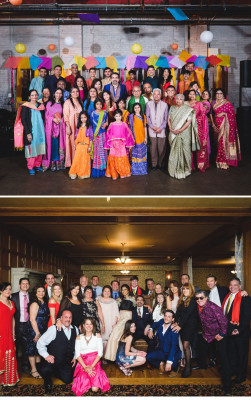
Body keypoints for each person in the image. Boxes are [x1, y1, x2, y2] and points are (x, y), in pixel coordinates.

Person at [195, 290, 231, 395]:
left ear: (206, 298)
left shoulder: (213, 307)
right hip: (208, 334)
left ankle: (227, 386)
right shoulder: (200, 308)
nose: (199, 300)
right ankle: (203, 366)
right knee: (200, 347)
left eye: (201, 298)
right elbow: (205, 323)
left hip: (219, 335)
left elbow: (224, 321)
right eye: (197, 298)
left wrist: (222, 334)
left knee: (224, 359)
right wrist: (206, 335)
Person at [37, 310, 78, 394]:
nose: (68, 319)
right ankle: (47, 381)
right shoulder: (53, 329)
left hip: (66, 362)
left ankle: (56, 372)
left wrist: (75, 357)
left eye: (70, 317)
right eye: (66, 317)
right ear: (61, 318)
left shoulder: (75, 329)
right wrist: (46, 356)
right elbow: (40, 343)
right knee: (45, 370)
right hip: (53, 361)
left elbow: (78, 346)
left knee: (67, 380)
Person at [222, 277, 251, 385]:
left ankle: (242, 376)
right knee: (232, 353)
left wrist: (239, 329)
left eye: (235, 285)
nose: (232, 287)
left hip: (240, 332)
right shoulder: (227, 296)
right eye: (230, 285)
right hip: (229, 331)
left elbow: (247, 317)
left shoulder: (246, 298)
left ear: (239, 286)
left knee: (241, 354)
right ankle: (233, 371)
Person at [72, 318, 110, 395]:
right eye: (87, 324)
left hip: (94, 362)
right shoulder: (79, 337)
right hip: (83, 364)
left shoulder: (97, 336)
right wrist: (85, 367)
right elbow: (78, 354)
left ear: (93, 326)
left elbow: (100, 353)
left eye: (91, 324)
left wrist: (91, 367)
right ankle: (86, 380)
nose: (89, 326)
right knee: (84, 390)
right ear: (83, 325)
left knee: (94, 389)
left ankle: (98, 375)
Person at [168, 94, 200, 179]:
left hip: (184, 133)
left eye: (180, 99)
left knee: (185, 151)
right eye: (177, 99)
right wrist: (170, 128)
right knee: (174, 151)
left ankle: (185, 171)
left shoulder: (187, 109)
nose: (178, 100)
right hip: (173, 132)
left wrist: (180, 130)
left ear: (183, 100)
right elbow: (169, 119)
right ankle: (174, 171)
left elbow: (188, 121)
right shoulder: (172, 108)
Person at [171, 283, 198, 378]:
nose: (185, 290)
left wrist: (179, 325)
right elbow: (178, 312)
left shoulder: (193, 300)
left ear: (191, 290)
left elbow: (187, 314)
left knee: (186, 345)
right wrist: (174, 321)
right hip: (183, 325)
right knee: (184, 344)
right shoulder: (182, 299)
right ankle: (186, 364)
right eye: (184, 289)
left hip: (190, 326)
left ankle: (188, 367)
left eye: (187, 289)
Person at [104, 284, 136, 361]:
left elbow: (138, 305)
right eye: (122, 290)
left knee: (120, 335)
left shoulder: (132, 298)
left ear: (128, 290)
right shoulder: (119, 299)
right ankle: (111, 356)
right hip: (120, 317)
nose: (124, 291)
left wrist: (147, 306)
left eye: (125, 289)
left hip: (128, 317)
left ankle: (120, 356)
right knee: (114, 334)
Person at [212, 88, 241, 169]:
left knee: (223, 142)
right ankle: (219, 161)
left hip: (226, 126)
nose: (218, 95)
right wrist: (213, 125)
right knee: (218, 143)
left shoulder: (227, 103)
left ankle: (224, 161)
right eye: (217, 93)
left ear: (223, 95)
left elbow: (232, 114)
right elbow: (211, 114)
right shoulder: (213, 103)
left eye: (220, 93)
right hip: (217, 125)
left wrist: (224, 113)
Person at [19, 89, 46, 175]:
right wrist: (28, 133)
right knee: (32, 148)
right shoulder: (26, 106)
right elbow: (23, 120)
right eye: (32, 95)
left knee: (39, 147)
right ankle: (30, 166)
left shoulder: (40, 106)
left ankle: (37, 165)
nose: (34, 97)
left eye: (36, 95)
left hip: (40, 131)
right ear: (29, 97)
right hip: (31, 131)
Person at [147, 310, 181, 374]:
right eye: (165, 316)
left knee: (173, 366)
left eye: (169, 317)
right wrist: (151, 329)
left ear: (172, 319)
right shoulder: (161, 322)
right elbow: (155, 324)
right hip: (161, 351)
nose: (166, 318)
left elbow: (173, 346)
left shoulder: (174, 329)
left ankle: (168, 364)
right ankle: (161, 364)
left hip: (171, 353)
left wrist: (169, 362)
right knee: (148, 357)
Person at [26, 284, 49, 379]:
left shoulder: (44, 301)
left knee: (39, 349)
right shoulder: (35, 303)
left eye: (43, 291)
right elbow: (32, 319)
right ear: (35, 293)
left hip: (43, 329)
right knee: (32, 350)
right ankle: (33, 370)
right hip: (34, 329)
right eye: (39, 291)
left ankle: (38, 368)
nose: (41, 293)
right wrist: (37, 333)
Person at [104, 109, 134, 180]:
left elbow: (128, 134)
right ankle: (114, 173)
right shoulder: (111, 124)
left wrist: (129, 143)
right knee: (113, 157)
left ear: (121, 116)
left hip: (121, 144)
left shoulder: (124, 124)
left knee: (122, 157)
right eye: (116, 116)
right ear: (114, 116)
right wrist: (109, 144)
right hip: (113, 144)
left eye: (119, 116)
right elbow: (108, 134)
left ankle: (123, 172)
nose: (118, 117)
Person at [0, 282, 19, 387]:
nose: (8, 291)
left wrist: (13, 333)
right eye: (5, 289)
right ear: (1, 291)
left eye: (9, 289)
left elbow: (12, 319)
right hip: (0, 333)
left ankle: (8, 380)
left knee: (10, 354)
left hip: (9, 333)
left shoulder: (12, 303)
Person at [42, 88, 66, 172]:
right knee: (51, 145)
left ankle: (58, 161)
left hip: (59, 127)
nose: (58, 95)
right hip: (51, 128)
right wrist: (52, 119)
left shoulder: (63, 104)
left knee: (57, 144)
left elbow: (64, 116)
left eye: (60, 93)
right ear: (54, 94)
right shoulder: (49, 103)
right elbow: (46, 116)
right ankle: (52, 162)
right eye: (57, 93)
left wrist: (60, 120)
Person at [186, 89, 209, 173]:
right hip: (187, 128)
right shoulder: (185, 103)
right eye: (190, 94)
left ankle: (200, 165)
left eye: (193, 94)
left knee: (199, 146)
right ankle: (190, 166)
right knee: (188, 146)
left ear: (196, 95)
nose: (192, 96)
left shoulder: (199, 104)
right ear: (188, 95)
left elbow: (203, 116)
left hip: (198, 128)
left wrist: (194, 119)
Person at [146, 88, 168, 171]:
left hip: (161, 130)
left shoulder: (165, 105)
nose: (156, 96)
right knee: (153, 148)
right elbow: (147, 117)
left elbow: (166, 119)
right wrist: (152, 126)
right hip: (152, 129)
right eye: (154, 94)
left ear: (160, 95)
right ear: (152, 95)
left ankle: (161, 164)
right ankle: (154, 165)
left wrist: (161, 128)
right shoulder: (148, 104)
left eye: (158, 94)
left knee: (161, 148)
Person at [11, 277, 30, 375]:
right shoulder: (13, 297)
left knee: (27, 348)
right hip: (17, 325)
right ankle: (13, 369)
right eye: (23, 283)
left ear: (29, 285)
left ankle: (25, 367)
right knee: (15, 347)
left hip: (28, 325)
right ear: (19, 285)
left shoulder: (32, 296)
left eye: (27, 283)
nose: (25, 285)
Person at [69, 111, 93, 180]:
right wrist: (75, 144)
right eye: (81, 118)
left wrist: (90, 147)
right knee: (76, 160)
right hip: (79, 146)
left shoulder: (89, 126)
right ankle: (73, 173)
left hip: (85, 146)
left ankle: (83, 173)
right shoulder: (79, 126)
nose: (83, 119)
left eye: (84, 117)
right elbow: (76, 136)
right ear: (80, 118)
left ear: (87, 118)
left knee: (84, 161)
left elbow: (91, 138)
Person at [96, 285, 120, 354]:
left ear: (111, 292)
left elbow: (116, 314)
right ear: (102, 292)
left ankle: (106, 356)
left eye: (108, 291)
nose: (107, 292)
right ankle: (100, 356)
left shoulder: (113, 301)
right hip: (100, 321)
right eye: (105, 291)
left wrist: (114, 324)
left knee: (107, 339)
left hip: (110, 322)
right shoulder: (98, 299)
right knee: (100, 339)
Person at [63, 87, 83, 168]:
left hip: (79, 125)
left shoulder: (80, 102)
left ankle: (79, 161)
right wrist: (68, 126)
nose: (75, 93)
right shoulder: (67, 102)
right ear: (70, 94)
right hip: (71, 125)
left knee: (79, 143)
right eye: (73, 92)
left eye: (77, 91)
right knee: (71, 143)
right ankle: (71, 162)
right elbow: (66, 115)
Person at [90, 99, 108, 178]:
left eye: (100, 104)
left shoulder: (104, 113)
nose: (99, 106)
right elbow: (90, 124)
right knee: (97, 151)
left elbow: (107, 121)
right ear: (95, 105)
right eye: (97, 104)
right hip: (96, 134)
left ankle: (103, 168)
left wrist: (106, 124)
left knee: (103, 150)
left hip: (103, 134)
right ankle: (97, 167)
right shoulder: (92, 113)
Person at [129, 103, 148, 175]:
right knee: (136, 153)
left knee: (142, 153)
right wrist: (132, 138)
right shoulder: (132, 116)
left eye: (138, 107)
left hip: (142, 137)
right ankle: (135, 170)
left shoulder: (143, 116)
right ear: (133, 109)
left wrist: (145, 137)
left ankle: (142, 169)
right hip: (135, 138)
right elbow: (130, 128)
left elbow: (145, 127)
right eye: (135, 108)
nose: (137, 109)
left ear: (140, 108)